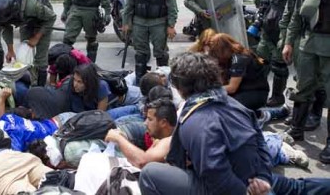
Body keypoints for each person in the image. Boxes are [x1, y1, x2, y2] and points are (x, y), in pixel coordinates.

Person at [138, 52, 330, 195]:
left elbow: (215, 173)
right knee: (297, 187)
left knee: (149, 173)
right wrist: (263, 178)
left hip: (234, 186)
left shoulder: (196, 121)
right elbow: (259, 142)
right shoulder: (233, 104)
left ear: (181, 88)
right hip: (254, 175)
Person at [283, 0, 330, 164]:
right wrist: (289, 41)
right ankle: (297, 129)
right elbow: (296, 14)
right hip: (309, 42)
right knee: (303, 86)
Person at [282, 0, 325, 132]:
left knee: (321, 83)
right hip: (306, 38)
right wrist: (288, 41)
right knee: (303, 81)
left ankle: (315, 114)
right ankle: (298, 124)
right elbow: (295, 15)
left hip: (324, 38)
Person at [123, 0, 178, 83]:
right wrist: (126, 22)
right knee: (140, 53)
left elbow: (172, 4)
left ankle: (163, 80)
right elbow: (129, 3)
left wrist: (171, 25)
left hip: (158, 22)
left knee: (161, 53)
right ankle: (141, 81)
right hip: (139, 22)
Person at [0, 0, 57, 86]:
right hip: (26, 21)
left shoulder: (32, 6)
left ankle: (39, 88)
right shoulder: (0, 10)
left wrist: (37, 37)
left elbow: (51, 17)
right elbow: (6, 27)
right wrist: (10, 50)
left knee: (40, 59)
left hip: (43, 21)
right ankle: (30, 81)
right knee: (24, 55)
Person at [255, 0, 297, 107]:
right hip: (267, 30)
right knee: (261, 63)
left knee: (279, 67)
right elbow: (262, 3)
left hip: (282, 32)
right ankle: (259, 91)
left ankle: (277, 96)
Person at [104, 99, 176, 169]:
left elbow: (142, 162)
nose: (145, 123)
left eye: (150, 119)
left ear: (163, 122)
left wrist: (119, 139)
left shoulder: (170, 141)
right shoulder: (159, 139)